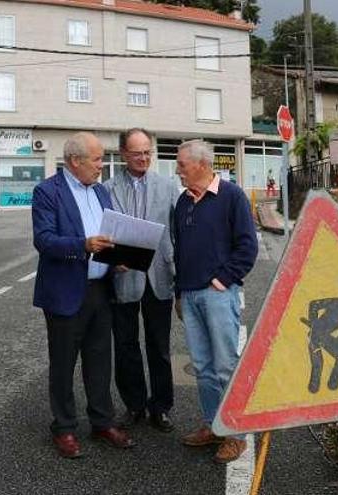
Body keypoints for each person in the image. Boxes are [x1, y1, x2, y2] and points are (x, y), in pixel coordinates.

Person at [31, 131, 134, 459]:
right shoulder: (48, 192)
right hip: (65, 293)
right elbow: (44, 241)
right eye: (97, 159)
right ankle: (63, 428)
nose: (102, 166)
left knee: (100, 360)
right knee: (63, 364)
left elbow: (109, 236)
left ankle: (102, 422)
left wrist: (116, 260)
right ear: (75, 161)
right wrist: (83, 246)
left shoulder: (101, 192)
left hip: (100, 291)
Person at [173, 139, 258, 464]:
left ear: (201, 165)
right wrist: (180, 293)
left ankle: (235, 435)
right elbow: (180, 250)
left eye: (182, 164)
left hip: (219, 295)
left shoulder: (232, 197)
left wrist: (222, 280)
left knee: (225, 366)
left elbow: (247, 247)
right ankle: (213, 425)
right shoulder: (183, 202)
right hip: (190, 296)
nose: (178, 170)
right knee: (203, 368)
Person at [103, 128, 178, 432]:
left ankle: (160, 407)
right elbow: (101, 231)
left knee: (159, 346)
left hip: (159, 275)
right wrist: (110, 261)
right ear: (123, 154)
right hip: (123, 276)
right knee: (125, 345)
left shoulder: (168, 185)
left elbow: (177, 229)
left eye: (148, 152)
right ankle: (134, 405)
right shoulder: (106, 188)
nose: (144, 158)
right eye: (137, 153)